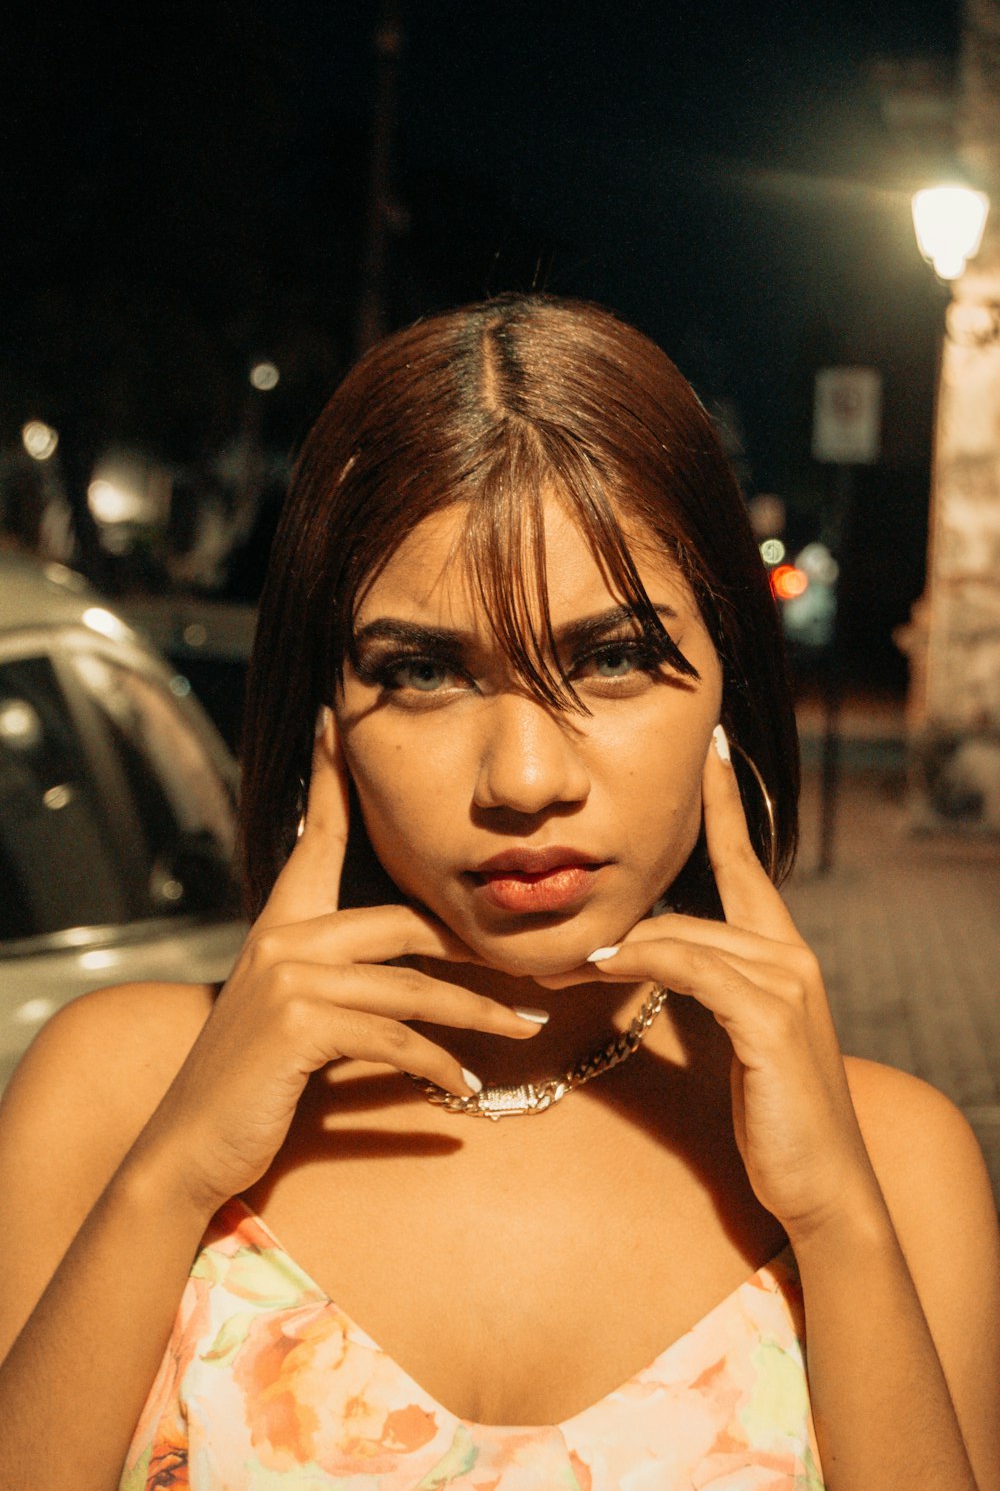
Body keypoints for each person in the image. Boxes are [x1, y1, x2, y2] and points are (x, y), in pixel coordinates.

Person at [0, 293, 996, 1491]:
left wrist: (836, 1223)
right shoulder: (117, 1091)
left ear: (728, 682)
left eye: (614, 659)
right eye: (422, 672)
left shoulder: (890, 1160)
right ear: (323, 711)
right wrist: (172, 1178)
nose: (525, 779)